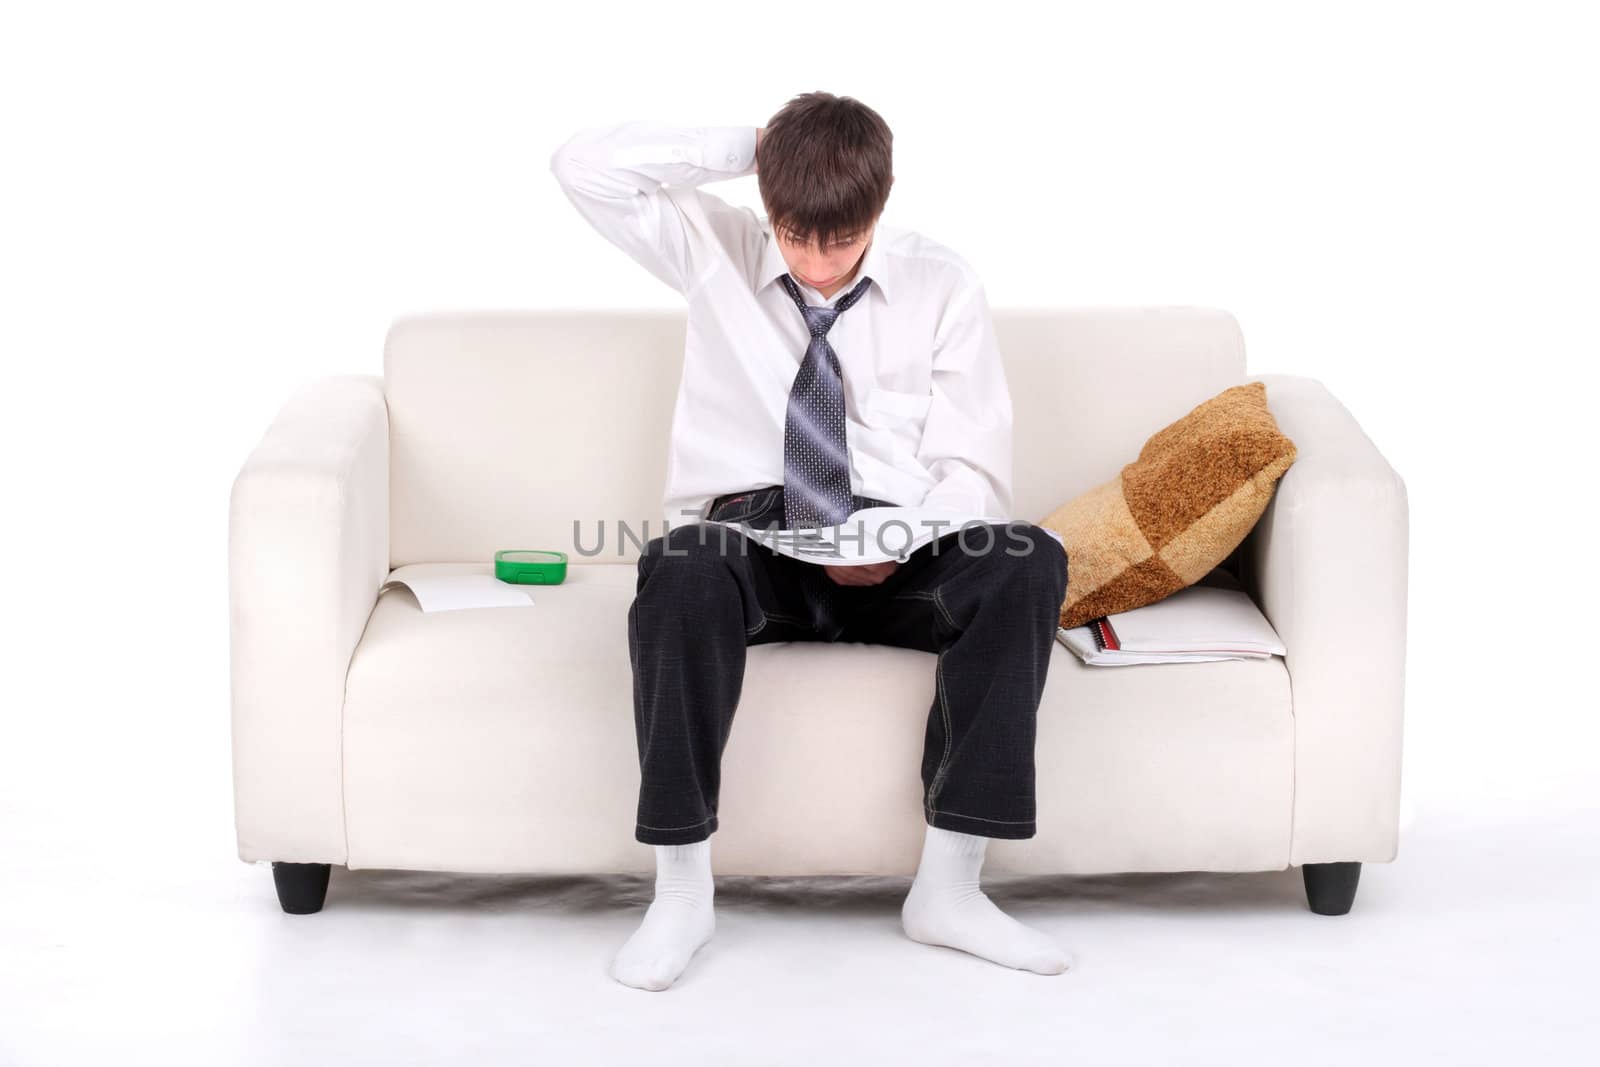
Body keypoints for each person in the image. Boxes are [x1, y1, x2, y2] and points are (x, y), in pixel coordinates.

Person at [548, 91, 1071, 991]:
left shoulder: (943, 286)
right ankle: (680, 891)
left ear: (882, 203)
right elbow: (582, 167)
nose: (819, 263)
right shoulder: (716, 250)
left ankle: (948, 891)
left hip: (904, 550)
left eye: (843, 239)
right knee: (678, 563)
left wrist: (896, 533)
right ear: (768, 207)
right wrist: (754, 147)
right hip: (760, 545)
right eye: (797, 235)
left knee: (1028, 560)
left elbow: (973, 474)